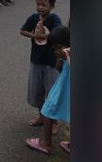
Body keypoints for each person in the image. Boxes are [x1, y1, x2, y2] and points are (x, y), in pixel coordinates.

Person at [19, 0, 63, 128]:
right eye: (38, 4)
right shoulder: (33, 18)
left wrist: (45, 35)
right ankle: (42, 116)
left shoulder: (54, 19)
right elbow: (23, 31)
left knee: (51, 92)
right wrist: (34, 35)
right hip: (36, 61)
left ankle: (53, 122)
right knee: (37, 91)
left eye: (44, 5)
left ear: (52, 6)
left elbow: (58, 34)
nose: (40, 7)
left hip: (51, 63)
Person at [27, 25, 71, 154]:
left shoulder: (69, 52)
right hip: (65, 89)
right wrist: (60, 57)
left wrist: (65, 54)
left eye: (58, 48)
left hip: (63, 89)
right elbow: (59, 67)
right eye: (54, 49)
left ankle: (46, 144)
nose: (57, 52)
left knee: (46, 111)